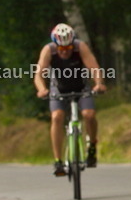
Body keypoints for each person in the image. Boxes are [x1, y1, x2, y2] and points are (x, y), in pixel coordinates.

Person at [33, 23, 107, 176]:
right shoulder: (49, 50)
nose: (65, 52)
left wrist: (99, 84)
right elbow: (39, 74)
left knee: (89, 114)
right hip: (58, 89)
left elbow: (94, 68)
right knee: (57, 117)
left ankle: (92, 146)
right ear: (56, 45)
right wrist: (41, 89)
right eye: (62, 49)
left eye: (68, 48)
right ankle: (58, 161)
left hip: (80, 87)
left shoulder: (80, 47)